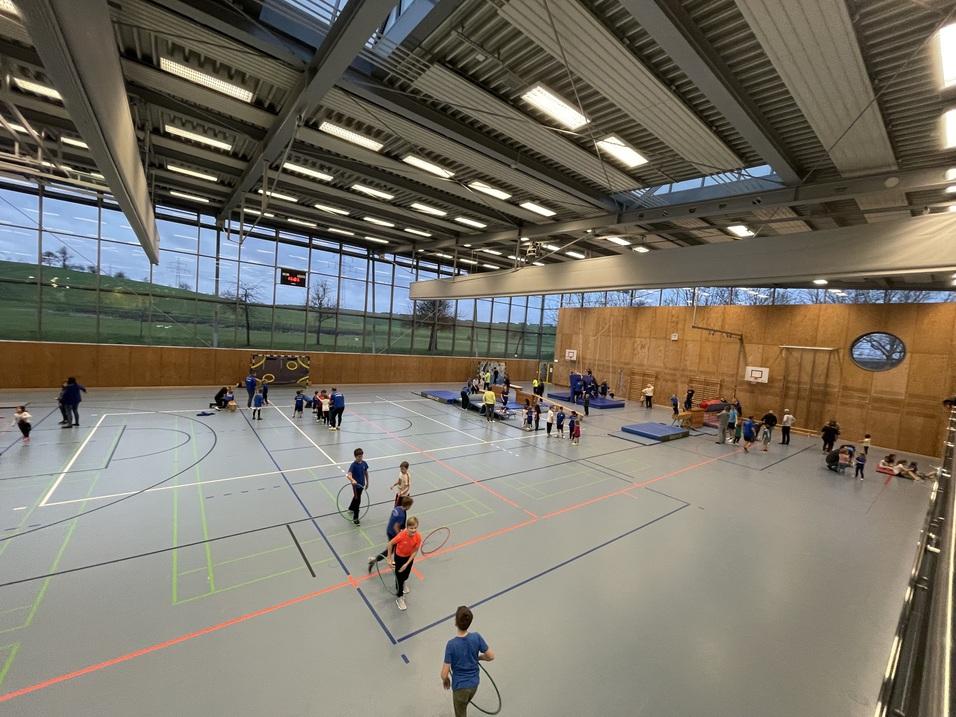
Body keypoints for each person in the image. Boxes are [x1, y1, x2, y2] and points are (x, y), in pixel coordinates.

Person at [442, 606, 495, 717]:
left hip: (460, 688)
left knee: (460, 713)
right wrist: (479, 657)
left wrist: (446, 680)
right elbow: (491, 656)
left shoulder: (451, 645)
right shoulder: (476, 637)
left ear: (455, 622)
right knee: (464, 703)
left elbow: (444, 674)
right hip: (474, 684)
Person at [369, 496, 413, 571]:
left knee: (392, 549)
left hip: (389, 530)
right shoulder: (402, 515)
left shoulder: (397, 508)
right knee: (392, 550)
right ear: (408, 505)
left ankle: (393, 561)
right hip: (393, 533)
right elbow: (396, 527)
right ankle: (374, 560)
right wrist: (401, 536)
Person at [387, 515, 421, 610]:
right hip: (399, 557)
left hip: (409, 558)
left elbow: (415, 551)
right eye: (411, 528)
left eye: (415, 528)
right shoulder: (402, 535)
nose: (413, 530)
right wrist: (389, 558)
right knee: (399, 578)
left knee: (406, 575)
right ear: (407, 527)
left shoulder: (418, 537)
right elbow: (390, 544)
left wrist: (407, 564)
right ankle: (399, 597)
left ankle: (402, 583)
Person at [346, 448, 369, 525]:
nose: (360, 458)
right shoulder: (353, 465)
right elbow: (348, 475)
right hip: (356, 486)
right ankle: (355, 518)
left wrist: (367, 482)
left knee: (356, 497)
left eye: (361, 456)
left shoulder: (364, 463)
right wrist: (352, 480)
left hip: (361, 485)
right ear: (355, 457)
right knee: (358, 501)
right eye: (358, 457)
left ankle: (351, 508)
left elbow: (366, 473)